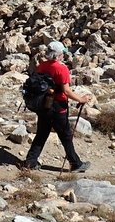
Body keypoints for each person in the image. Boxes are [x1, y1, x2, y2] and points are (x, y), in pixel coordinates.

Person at [22, 40, 92, 172]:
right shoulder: (62, 69)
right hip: (58, 106)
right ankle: (75, 164)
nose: (64, 56)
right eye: (62, 54)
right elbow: (66, 91)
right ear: (58, 55)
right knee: (65, 135)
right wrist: (81, 99)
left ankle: (30, 162)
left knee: (42, 133)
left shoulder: (42, 65)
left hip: (43, 105)